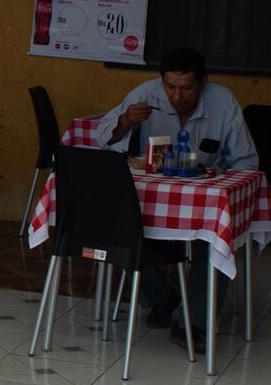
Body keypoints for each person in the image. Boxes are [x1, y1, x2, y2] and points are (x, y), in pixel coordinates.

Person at [94, 47, 260, 342]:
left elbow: (246, 161)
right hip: (156, 201)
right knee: (119, 225)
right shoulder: (146, 94)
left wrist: (220, 179)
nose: (177, 96)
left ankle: (194, 322)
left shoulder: (223, 102)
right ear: (162, 82)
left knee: (215, 238)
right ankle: (161, 298)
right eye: (170, 87)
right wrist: (125, 122)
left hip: (205, 203)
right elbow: (102, 135)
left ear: (202, 82)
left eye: (186, 88)